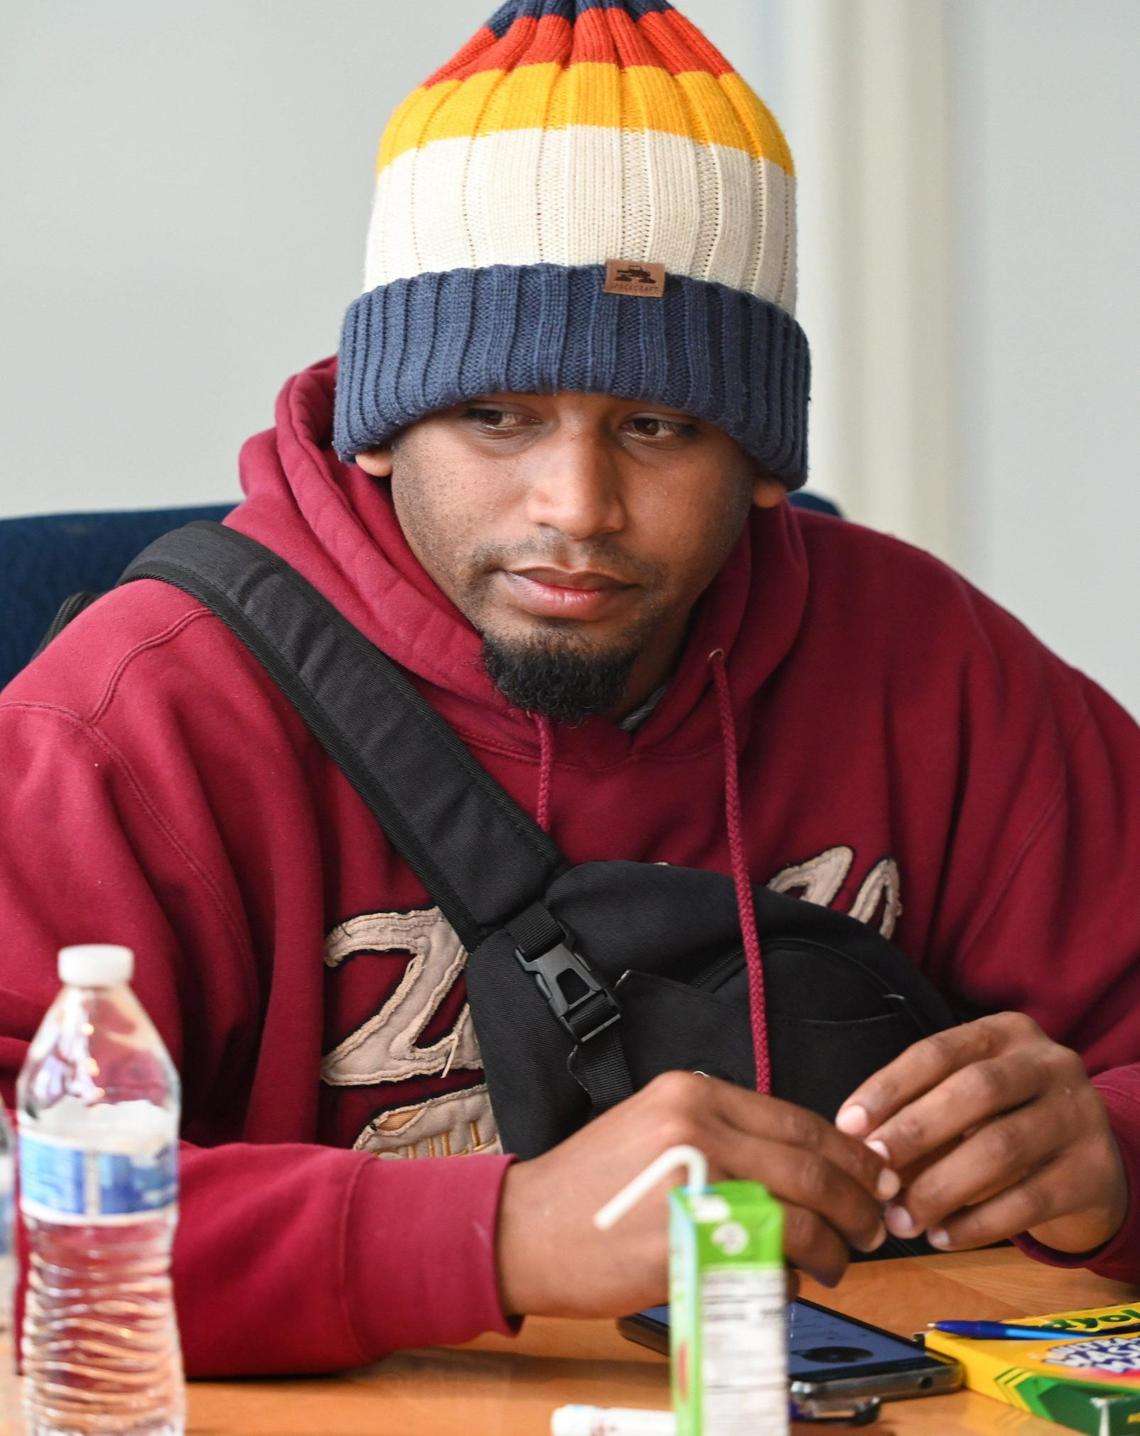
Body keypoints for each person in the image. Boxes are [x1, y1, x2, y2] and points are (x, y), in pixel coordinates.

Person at [1, 0, 1138, 1378]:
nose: (578, 506)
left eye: (658, 428)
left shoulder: (930, 664)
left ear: (766, 462)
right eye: (498, 417)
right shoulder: (134, 719)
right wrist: (496, 1235)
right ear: (380, 423)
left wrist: (1113, 1160)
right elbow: (22, 1210)